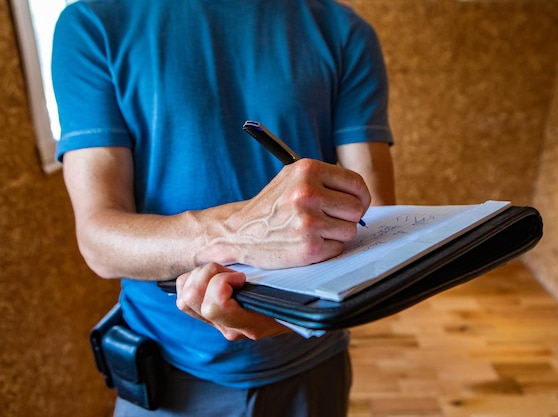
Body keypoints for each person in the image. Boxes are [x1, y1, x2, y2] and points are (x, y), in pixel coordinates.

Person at [52, 0, 395, 415]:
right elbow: (98, 240)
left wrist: (290, 314)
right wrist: (235, 233)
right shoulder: (92, 24)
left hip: (311, 361)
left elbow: (376, 222)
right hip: (167, 377)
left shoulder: (344, 32)